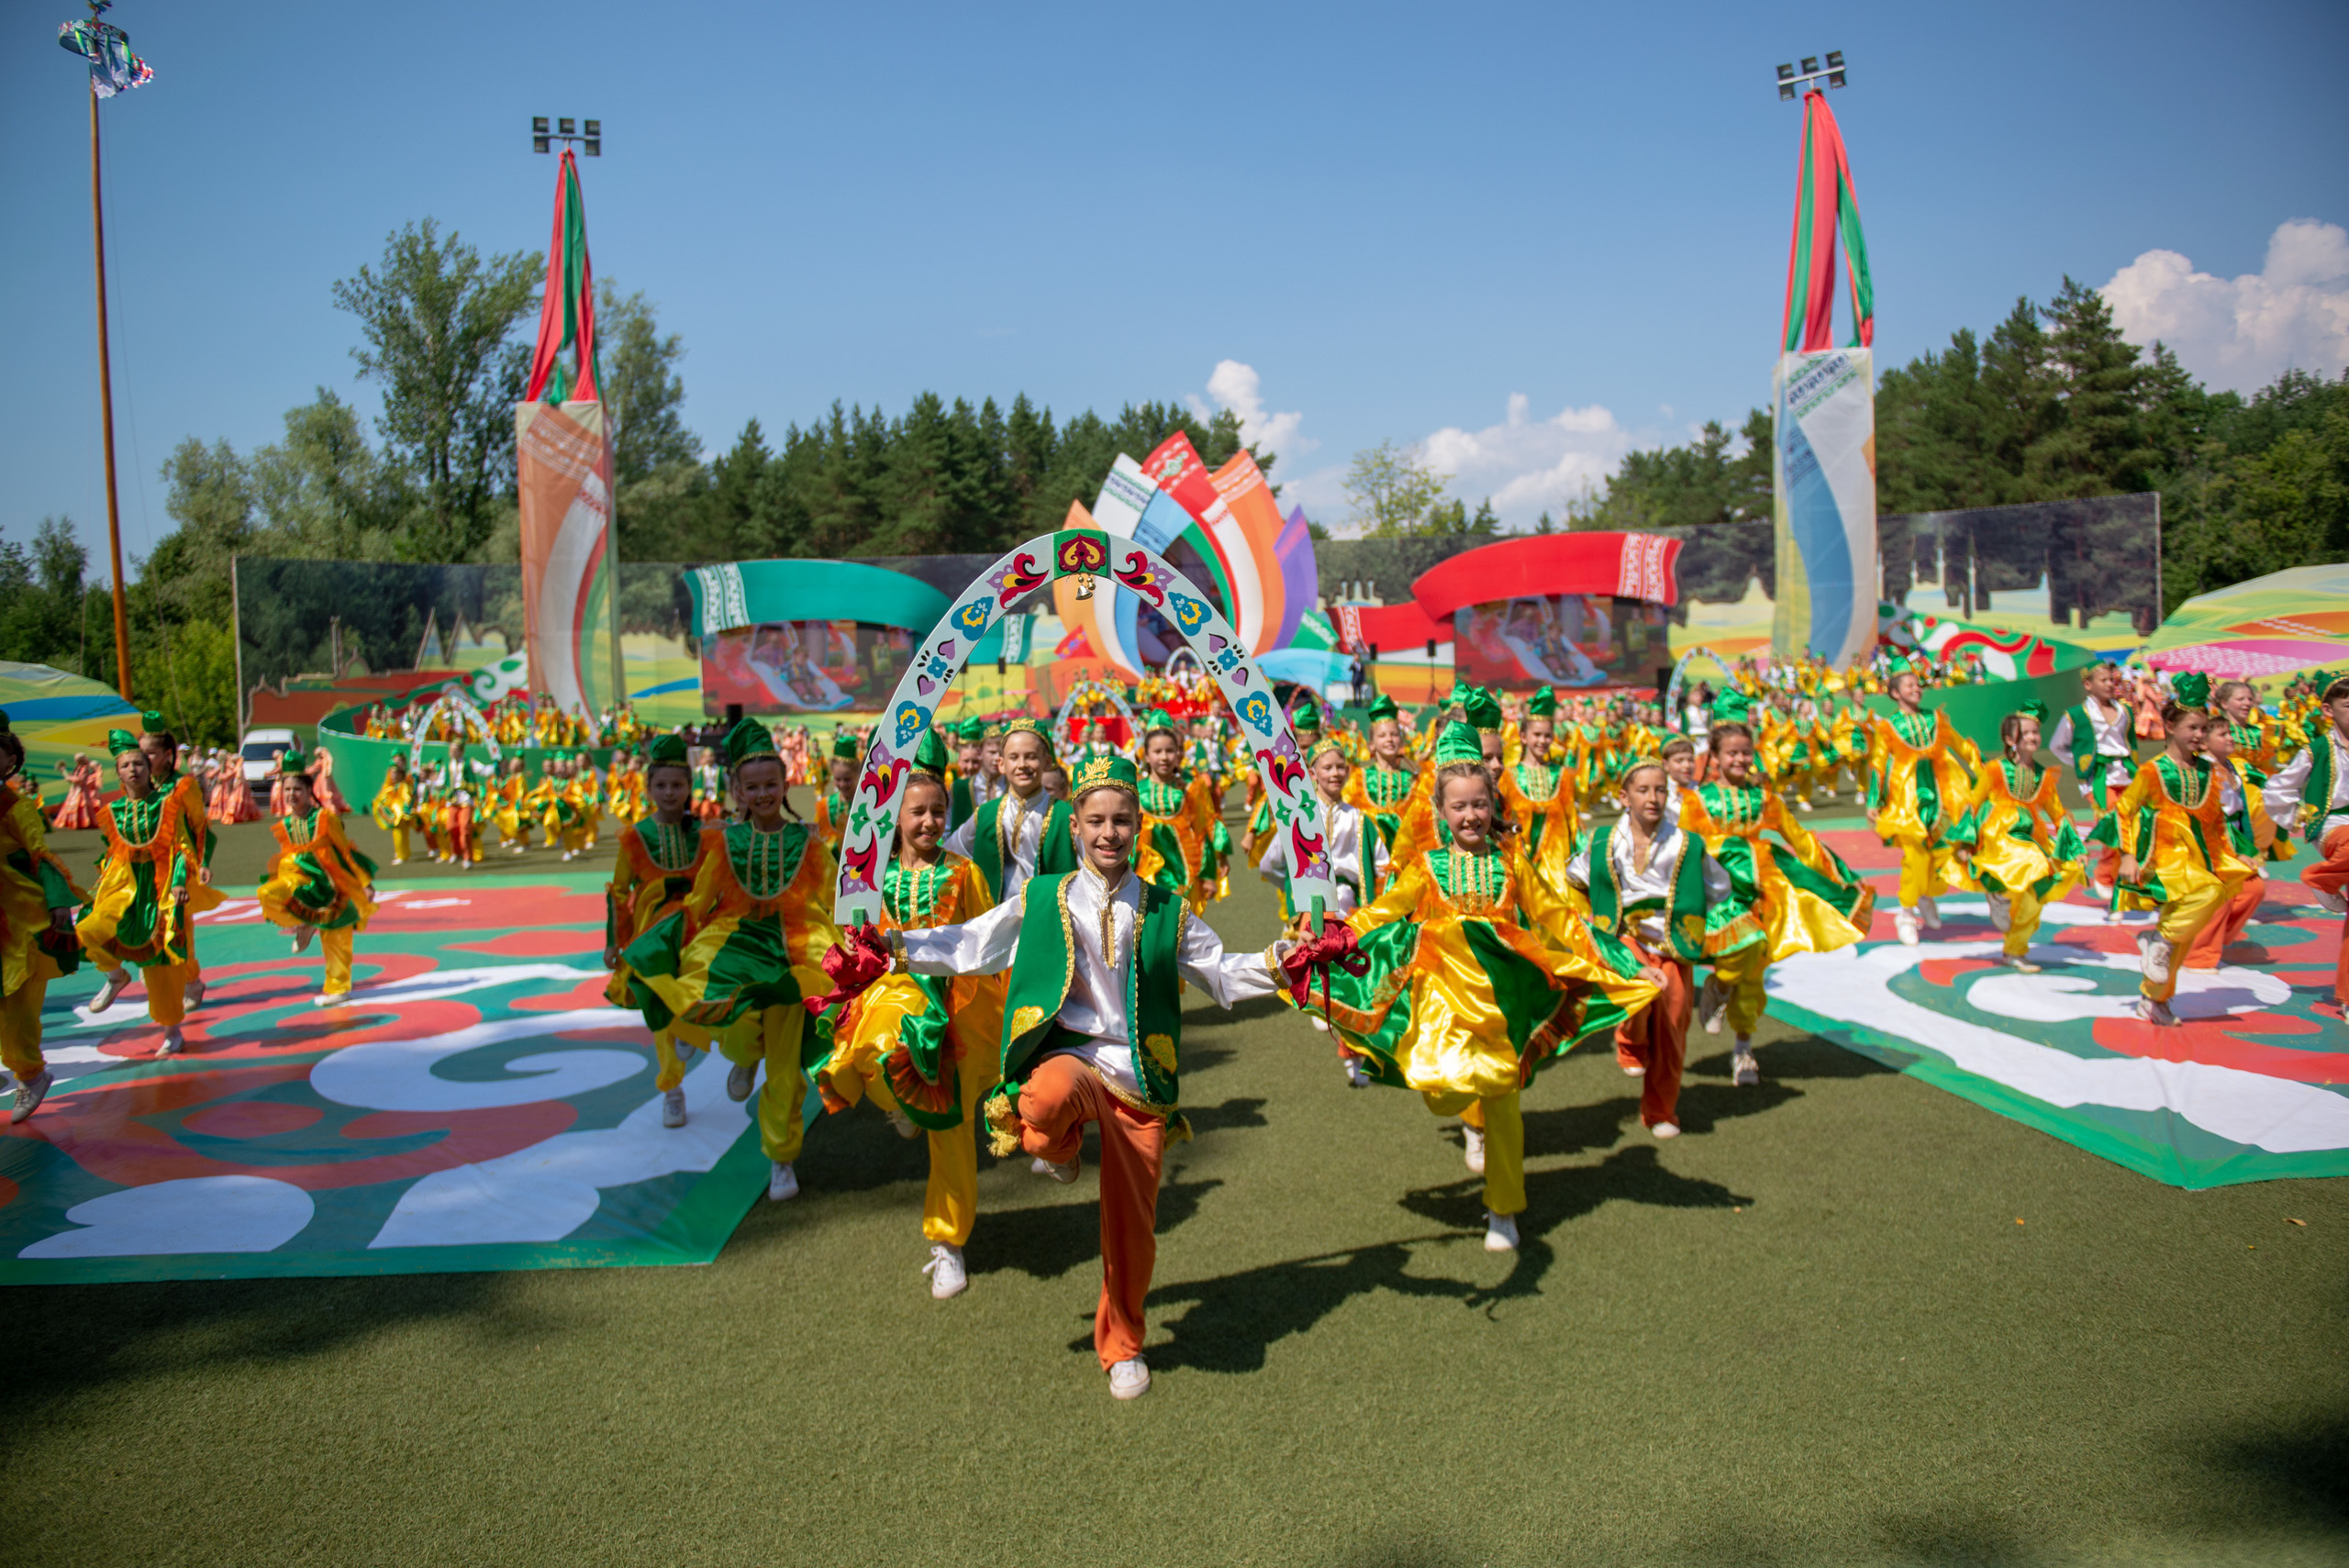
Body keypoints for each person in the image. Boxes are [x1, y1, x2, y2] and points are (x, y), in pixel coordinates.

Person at [863, 751, 1294, 1398]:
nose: (1108, 833)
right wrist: (895, 947)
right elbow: (973, 943)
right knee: (1041, 1100)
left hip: (1139, 1077)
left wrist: (1283, 963)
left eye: (1122, 820)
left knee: (1132, 1225)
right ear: (1077, 826)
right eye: (1095, 820)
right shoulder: (1044, 896)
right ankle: (1057, 1149)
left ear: (1138, 825)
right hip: (1069, 1057)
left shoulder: (1165, 908)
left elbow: (1223, 972)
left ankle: (1122, 1344)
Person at [1319, 722, 1662, 1252]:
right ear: (1441, 812)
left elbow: (1560, 918)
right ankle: (1463, 1120)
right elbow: (1382, 910)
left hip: (1503, 1006)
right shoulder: (1427, 867)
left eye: (1480, 804)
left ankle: (1503, 1209)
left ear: (1492, 805)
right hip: (1440, 1009)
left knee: (1503, 1101)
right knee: (1444, 1093)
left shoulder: (1511, 862)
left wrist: (1625, 963)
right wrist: (1332, 940)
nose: (1471, 815)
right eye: (1459, 807)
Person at [809, 732, 1004, 1298]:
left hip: (958, 1006)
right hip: (896, 997)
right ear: (894, 818)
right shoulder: (874, 880)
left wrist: (1013, 1012)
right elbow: (855, 942)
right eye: (916, 811)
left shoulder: (964, 874)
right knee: (874, 1045)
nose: (928, 821)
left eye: (938, 811)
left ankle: (948, 1243)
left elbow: (989, 939)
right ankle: (898, 1103)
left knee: (951, 1128)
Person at [640, 718, 842, 1202]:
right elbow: (701, 901)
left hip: (796, 955)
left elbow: (833, 895)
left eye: (772, 784)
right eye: (753, 787)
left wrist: (849, 942)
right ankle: (742, 1054)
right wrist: (667, 938)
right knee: (718, 1006)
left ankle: (781, 1157)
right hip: (740, 949)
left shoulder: (809, 842)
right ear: (738, 791)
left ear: (785, 784)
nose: (764, 793)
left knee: (787, 1067)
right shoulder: (724, 841)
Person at [1687, 696, 1876, 1085]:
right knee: (1742, 948)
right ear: (1715, 756)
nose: (1740, 760)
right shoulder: (1696, 801)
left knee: (1755, 971)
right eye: (1731, 753)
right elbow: (1686, 848)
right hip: (1719, 893)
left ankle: (1743, 1049)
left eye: (1745, 753)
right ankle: (1718, 985)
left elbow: (1800, 839)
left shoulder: (1764, 798)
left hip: (1764, 893)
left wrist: (1838, 874)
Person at [1566, 760, 1751, 1140]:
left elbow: (1718, 888)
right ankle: (1630, 1044)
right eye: (1643, 790)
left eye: (1661, 790)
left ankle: (1660, 1110)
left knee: (1673, 1026)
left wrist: (1694, 922)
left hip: (1672, 946)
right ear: (1624, 796)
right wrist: (1596, 920)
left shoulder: (1686, 844)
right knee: (1638, 996)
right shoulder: (1603, 841)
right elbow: (1575, 876)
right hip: (1625, 941)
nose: (1653, 798)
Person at [2098, 675, 2254, 1027]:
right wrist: (2126, 856)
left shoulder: (2207, 771)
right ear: (2169, 726)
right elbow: (2125, 810)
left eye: (2203, 728)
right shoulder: (2154, 771)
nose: (2199, 735)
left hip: (2200, 857)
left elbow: (2215, 820)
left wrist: (2233, 853)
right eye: (2193, 728)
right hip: (2164, 857)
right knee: (2207, 895)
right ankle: (2157, 939)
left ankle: (2154, 1000)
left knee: (2180, 940)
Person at [79, 728, 220, 1056]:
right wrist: (104, 883)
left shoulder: (168, 803)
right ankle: (115, 975)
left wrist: (182, 880)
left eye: (140, 763)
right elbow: (112, 853)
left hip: (162, 887)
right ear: (118, 772)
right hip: (126, 887)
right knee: (89, 926)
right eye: (127, 764)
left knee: (161, 959)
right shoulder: (113, 812)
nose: (134, 769)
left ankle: (172, 1029)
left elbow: (182, 844)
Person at [1260, 732, 1388, 1088]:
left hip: (1350, 909)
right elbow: (1271, 864)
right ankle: (1325, 1014)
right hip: (1311, 911)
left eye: (1340, 766)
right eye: (1327, 767)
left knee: (1350, 983)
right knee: (1314, 974)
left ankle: (1353, 1057)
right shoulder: (1300, 816)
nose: (1335, 773)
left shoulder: (1359, 819)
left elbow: (1382, 864)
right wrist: (1295, 898)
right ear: (1312, 772)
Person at [606, 735, 718, 1129]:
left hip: (694, 928)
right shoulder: (635, 836)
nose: (669, 792)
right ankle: (672, 1089)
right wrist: (614, 942)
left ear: (689, 787)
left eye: (677, 785)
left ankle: (688, 1028)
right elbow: (619, 892)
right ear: (649, 788)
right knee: (656, 1003)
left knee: (696, 989)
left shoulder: (702, 832)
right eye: (661, 786)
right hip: (651, 935)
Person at [1950, 702, 2085, 973]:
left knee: (2035, 896)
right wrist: (1965, 843)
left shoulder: (2043, 776)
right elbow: (1973, 804)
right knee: (2034, 861)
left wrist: (2075, 848)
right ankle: (1998, 892)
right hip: (2000, 834)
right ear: (2011, 740)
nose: (2033, 737)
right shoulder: (1996, 770)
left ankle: (2014, 949)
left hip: (2031, 837)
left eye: (2036, 732)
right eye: (2027, 733)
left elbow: (2058, 814)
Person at [2246, 674, 2349, 1015]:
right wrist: (2300, 816)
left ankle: (2347, 995)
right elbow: (2278, 790)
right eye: (2348, 705)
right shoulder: (2318, 749)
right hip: (2335, 826)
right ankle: (2324, 878)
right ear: (2328, 710)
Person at [0, 714, 84, 1121]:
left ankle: (31, 1076)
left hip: (18, 919)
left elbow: (41, 856)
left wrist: (57, 904)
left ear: (10, 760)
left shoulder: (15, 806)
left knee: (16, 1006)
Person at [1866, 665, 1979, 946]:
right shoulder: (1888, 727)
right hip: (1908, 802)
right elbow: (1879, 764)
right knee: (1915, 857)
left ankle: (1925, 895)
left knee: (1943, 853)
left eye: (1919, 685)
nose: (1917, 689)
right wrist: (1873, 800)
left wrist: (1986, 772)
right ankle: (1905, 913)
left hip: (1943, 797)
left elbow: (1961, 745)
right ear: (1895, 693)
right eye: (1909, 686)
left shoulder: (1936, 719)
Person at [256, 749, 378, 1001]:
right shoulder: (286, 825)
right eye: (287, 790)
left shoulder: (325, 818)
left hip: (332, 884)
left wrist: (365, 882)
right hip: (303, 882)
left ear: (309, 791)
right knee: (267, 892)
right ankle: (304, 921)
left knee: (336, 936)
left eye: (297, 790)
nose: (291, 795)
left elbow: (345, 851)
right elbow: (288, 860)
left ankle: (338, 988)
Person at [942, 717, 1074, 904]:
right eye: (1014, 757)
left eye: (1031, 757)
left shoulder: (1065, 816)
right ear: (1002, 764)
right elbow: (951, 854)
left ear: (1047, 762)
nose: (1022, 765)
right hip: (993, 921)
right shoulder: (986, 814)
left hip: (1046, 921)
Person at [2048, 662, 2139, 902]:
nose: (2110, 684)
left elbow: (2131, 743)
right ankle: (2104, 874)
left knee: (2134, 825)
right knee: (2112, 822)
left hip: (2125, 774)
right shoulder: (2077, 715)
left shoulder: (2125, 712)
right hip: (2098, 778)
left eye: (2112, 680)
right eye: (2104, 680)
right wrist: (2082, 765)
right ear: (2088, 685)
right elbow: (2058, 745)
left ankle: (2125, 874)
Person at [1135, 708, 1227, 905]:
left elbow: (1201, 830)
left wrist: (1208, 875)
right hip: (1146, 868)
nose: (1164, 757)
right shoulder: (1135, 789)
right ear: (1146, 755)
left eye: (1170, 751)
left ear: (1178, 753)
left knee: (1183, 924)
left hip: (1184, 867)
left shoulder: (1188, 788)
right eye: (1157, 751)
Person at [814, 728, 859, 851]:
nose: (842, 784)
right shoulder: (826, 806)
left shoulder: (865, 804)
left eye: (847, 779)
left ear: (857, 775)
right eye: (838, 779)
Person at [51, 753, 104, 831]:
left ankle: (83, 822)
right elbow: (74, 779)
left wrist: (69, 777)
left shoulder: (85, 768)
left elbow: (80, 779)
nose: (76, 762)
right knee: (72, 805)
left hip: (81, 790)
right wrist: (64, 771)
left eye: (77, 760)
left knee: (81, 805)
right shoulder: (78, 768)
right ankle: (72, 823)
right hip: (74, 790)